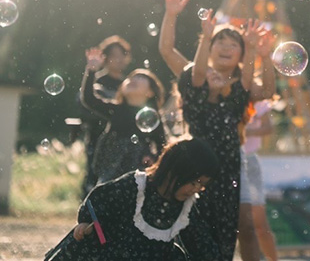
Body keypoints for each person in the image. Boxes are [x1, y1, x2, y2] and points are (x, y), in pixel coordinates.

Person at [160, 0, 276, 261]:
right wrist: (171, 14)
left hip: (228, 168)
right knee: (188, 226)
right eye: (219, 41)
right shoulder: (192, 78)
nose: (226, 46)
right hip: (193, 164)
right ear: (208, 46)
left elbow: (268, 91)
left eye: (233, 43)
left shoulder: (241, 87)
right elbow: (166, 49)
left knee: (226, 230)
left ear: (240, 54)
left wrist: (263, 53)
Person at [46, 136, 222, 260]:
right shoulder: (137, 186)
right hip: (109, 253)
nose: (197, 189)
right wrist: (86, 220)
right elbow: (100, 199)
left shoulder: (186, 208)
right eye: (194, 182)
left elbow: (201, 244)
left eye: (202, 185)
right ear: (176, 170)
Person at [80, 47, 167, 185]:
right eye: (131, 77)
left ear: (150, 92)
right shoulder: (117, 109)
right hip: (110, 167)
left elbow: (162, 144)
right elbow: (89, 99)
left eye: (141, 78)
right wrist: (91, 71)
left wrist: (152, 156)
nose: (133, 79)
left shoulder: (152, 117)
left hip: (137, 170)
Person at [79, 35, 131, 197]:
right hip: (98, 137)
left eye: (123, 55)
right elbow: (89, 101)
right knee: (95, 177)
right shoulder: (97, 82)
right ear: (105, 58)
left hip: (122, 141)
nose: (120, 59)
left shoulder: (127, 85)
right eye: (115, 55)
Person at [237, 99, 280, 261]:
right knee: (238, 226)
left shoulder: (256, 101)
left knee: (259, 224)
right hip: (227, 160)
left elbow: (269, 127)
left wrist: (246, 131)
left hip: (249, 161)